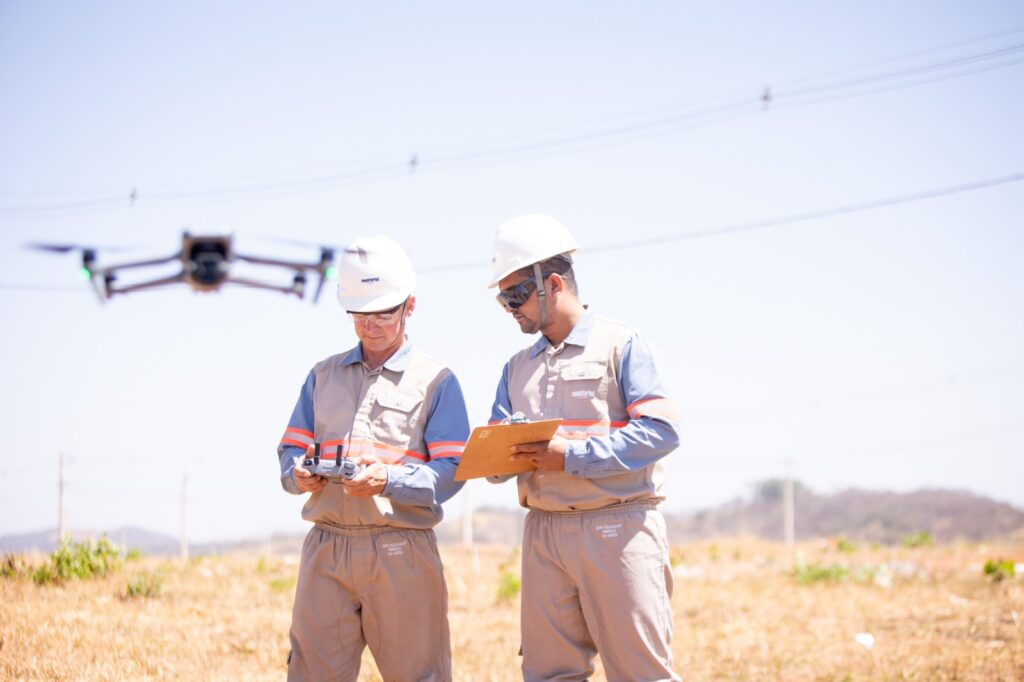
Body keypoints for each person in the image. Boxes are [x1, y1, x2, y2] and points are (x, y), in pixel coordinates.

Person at [486, 214, 682, 682]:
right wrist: (493, 458)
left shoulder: (621, 344)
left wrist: (571, 456)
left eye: (516, 295)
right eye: (502, 299)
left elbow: (661, 431)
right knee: (548, 673)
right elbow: (495, 448)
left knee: (640, 673)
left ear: (553, 284)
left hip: (617, 527)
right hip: (544, 532)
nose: (510, 308)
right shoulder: (516, 368)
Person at [277, 235, 469, 682]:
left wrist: (389, 480)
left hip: (400, 547)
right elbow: (290, 450)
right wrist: (297, 473)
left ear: (409, 306)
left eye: (383, 313)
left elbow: (453, 470)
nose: (371, 326)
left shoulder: (436, 381)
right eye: (360, 315)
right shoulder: (322, 376)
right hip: (326, 547)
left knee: (418, 674)